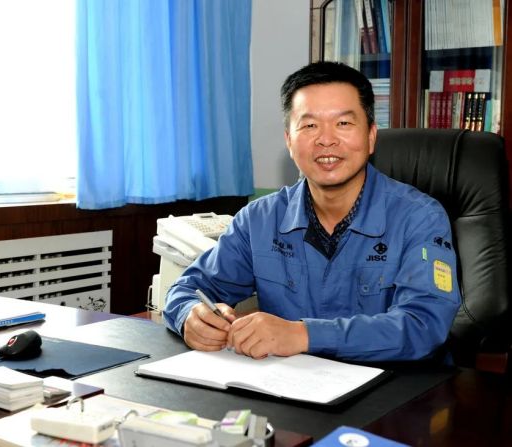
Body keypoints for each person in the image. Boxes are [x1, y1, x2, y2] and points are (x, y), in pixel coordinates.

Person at [163, 61, 461, 362]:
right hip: (289, 383)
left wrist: (302, 335)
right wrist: (190, 315)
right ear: (289, 141)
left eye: (343, 123)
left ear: (371, 136)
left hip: (395, 384)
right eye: (309, 125)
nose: (326, 139)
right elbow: (188, 289)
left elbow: (423, 324)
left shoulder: (420, 218)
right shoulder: (259, 220)